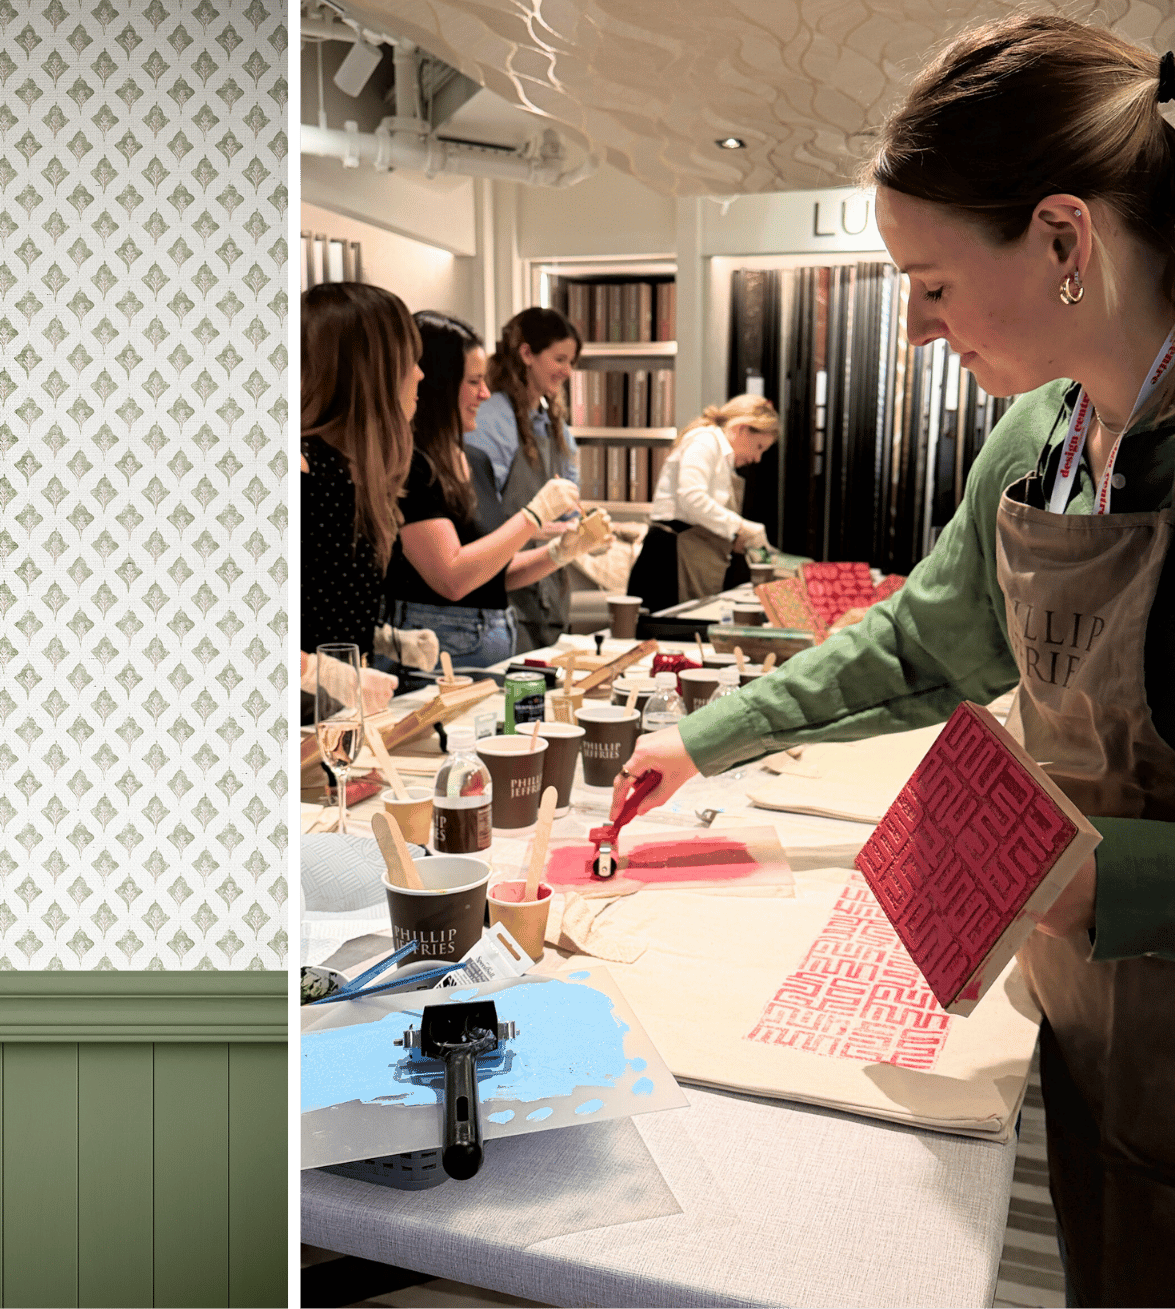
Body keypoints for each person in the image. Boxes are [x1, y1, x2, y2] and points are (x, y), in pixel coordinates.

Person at [614, 16, 1175, 1305]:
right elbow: (925, 641)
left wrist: (1115, 880)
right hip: (1091, 1023)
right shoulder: (1042, 433)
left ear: (1062, 239)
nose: (916, 333)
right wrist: (697, 739)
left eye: (930, 284)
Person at [382, 311, 612, 669]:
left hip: (489, 647)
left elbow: (490, 571)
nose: (485, 394)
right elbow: (452, 578)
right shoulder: (410, 465)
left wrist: (559, 553)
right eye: (473, 382)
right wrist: (534, 516)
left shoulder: (474, 460)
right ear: (439, 385)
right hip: (433, 657)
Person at [296, 281, 421, 715]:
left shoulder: (353, 470)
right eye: (411, 361)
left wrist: (386, 639)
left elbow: (322, 604)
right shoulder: (303, 471)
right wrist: (324, 672)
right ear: (374, 371)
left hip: (335, 719)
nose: (420, 375)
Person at [464, 307, 585, 653]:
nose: (567, 370)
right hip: (506, 597)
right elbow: (479, 516)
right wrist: (537, 526)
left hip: (548, 593)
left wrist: (574, 525)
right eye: (559, 358)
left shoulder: (555, 426)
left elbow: (570, 503)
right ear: (527, 353)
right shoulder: (492, 421)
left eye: (571, 361)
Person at [625, 396, 777, 613]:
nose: (757, 458)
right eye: (759, 446)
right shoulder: (704, 441)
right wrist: (740, 526)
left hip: (689, 554)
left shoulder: (722, 456)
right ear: (743, 428)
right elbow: (691, 497)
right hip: (669, 560)